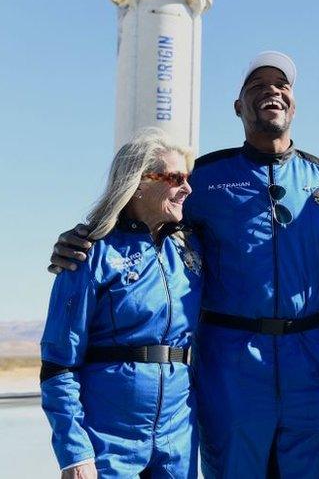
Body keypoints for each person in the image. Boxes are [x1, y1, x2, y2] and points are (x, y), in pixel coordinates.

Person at [48, 51, 319, 478]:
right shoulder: (202, 179)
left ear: (294, 102)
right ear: (238, 107)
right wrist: (85, 236)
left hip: (310, 363)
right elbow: (144, 217)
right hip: (228, 365)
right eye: (257, 85)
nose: (271, 90)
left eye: (281, 85)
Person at [41, 129, 201, 478]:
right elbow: (57, 365)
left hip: (178, 436)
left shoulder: (191, 251)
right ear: (139, 182)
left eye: (187, 178)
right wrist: (74, 453)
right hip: (108, 439)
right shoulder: (87, 254)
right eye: (175, 178)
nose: (187, 188)